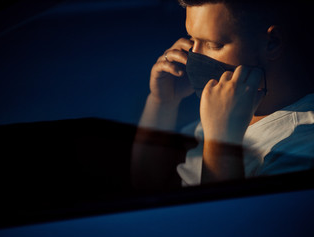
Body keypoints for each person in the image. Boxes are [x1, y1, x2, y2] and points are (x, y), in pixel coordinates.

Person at [131, 0, 314, 190]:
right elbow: (146, 186)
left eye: (213, 44)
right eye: (192, 40)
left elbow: (222, 218)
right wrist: (163, 102)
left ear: (272, 42)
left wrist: (220, 142)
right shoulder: (223, 108)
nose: (193, 57)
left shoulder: (302, 147)